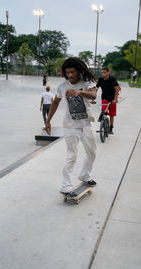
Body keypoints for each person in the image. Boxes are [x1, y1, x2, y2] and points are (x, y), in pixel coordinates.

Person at [45, 57, 97, 199]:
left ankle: (85, 175)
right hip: (70, 126)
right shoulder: (62, 86)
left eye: (72, 72)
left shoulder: (87, 83)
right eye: (67, 73)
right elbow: (55, 103)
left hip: (85, 123)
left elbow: (93, 94)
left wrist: (79, 92)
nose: (70, 75)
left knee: (92, 152)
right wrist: (48, 121)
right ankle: (65, 187)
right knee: (71, 155)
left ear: (79, 71)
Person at [95, 67, 119, 134]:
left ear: (108, 72)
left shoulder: (112, 79)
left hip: (112, 99)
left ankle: (111, 127)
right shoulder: (100, 79)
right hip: (104, 98)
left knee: (112, 114)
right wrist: (93, 95)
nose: (103, 74)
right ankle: (103, 118)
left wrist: (115, 99)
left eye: (104, 72)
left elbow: (117, 89)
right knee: (103, 110)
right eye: (102, 72)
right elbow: (96, 88)